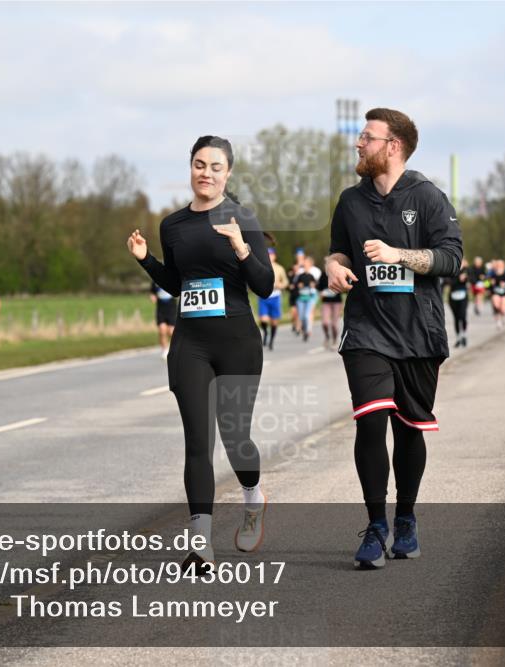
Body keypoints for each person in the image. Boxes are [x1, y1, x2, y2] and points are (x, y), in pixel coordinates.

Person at [127, 135, 274, 574]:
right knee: (198, 442)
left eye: (214, 166)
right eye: (198, 164)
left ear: (228, 173)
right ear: (189, 168)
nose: (205, 173)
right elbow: (178, 283)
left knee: (235, 441)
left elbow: (264, 287)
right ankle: (201, 545)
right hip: (190, 344)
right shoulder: (172, 225)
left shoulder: (241, 218)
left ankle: (253, 497)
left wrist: (241, 248)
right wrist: (146, 261)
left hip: (237, 344)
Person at [325, 107, 462, 568]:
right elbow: (338, 250)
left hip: (418, 332)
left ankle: (406, 518)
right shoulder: (350, 201)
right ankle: (376, 526)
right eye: (360, 137)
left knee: (408, 429)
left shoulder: (427, 197)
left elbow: (450, 259)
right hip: (366, 328)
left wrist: (398, 255)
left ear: (393, 146)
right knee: (370, 421)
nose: (359, 144)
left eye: (367, 137)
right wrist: (334, 267)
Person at [258, 247, 288, 351]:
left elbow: (285, 282)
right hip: (264, 296)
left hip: (275, 296)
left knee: (274, 322)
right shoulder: (260, 266)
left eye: (271, 255)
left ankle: (271, 341)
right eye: (268, 254)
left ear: (274, 256)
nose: (269, 257)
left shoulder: (280, 268)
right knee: (263, 319)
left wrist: (280, 285)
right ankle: (265, 332)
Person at [294, 256, 320, 342]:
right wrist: (298, 285)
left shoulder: (314, 272)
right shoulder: (300, 273)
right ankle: (304, 329)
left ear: (310, 264)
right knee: (301, 316)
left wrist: (313, 285)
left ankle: (308, 330)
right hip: (301, 297)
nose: (305, 264)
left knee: (307, 315)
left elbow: (317, 284)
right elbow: (295, 283)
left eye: (307, 262)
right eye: (304, 262)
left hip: (310, 296)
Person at [318, 267, 344, 351]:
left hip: (336, 302)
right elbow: (318, 287)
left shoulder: (339, 273)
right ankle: (327, 336)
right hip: (326, 302)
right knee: (325, 322)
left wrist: (340, 289)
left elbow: (345, 287)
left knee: (334, 324)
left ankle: (335, 340)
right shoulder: (323, 274)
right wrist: (321, 292)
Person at [150, 281, 177, 360]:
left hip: (171, 308)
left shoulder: (171, 278)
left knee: (171, 332)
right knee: (162, 330)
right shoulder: (155, 281)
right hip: (161, 309)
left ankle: (174, 348)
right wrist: (152, 296)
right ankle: (165, 350)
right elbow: (152, 292)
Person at [447, 260, 470, 347]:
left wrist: (465, 278)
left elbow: (470, 279)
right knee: (456, 318)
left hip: (463, 296)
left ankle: (464, 335)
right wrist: (458, 279)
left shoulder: (466, 271)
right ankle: (458, 338)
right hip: (453, 297)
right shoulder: (450, 271)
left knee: (462, 316)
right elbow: (448, 282)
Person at [489, 258, 505, 329]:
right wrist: (490, 283)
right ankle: (498, 321)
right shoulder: (492, 274)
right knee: (496, 306)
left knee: (502, 309)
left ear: (503, 266)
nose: (499, 266)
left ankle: (504, 316)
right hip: (495, 293)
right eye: (497, 265)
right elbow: (485, 283)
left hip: (504, 293)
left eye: (500, 265)